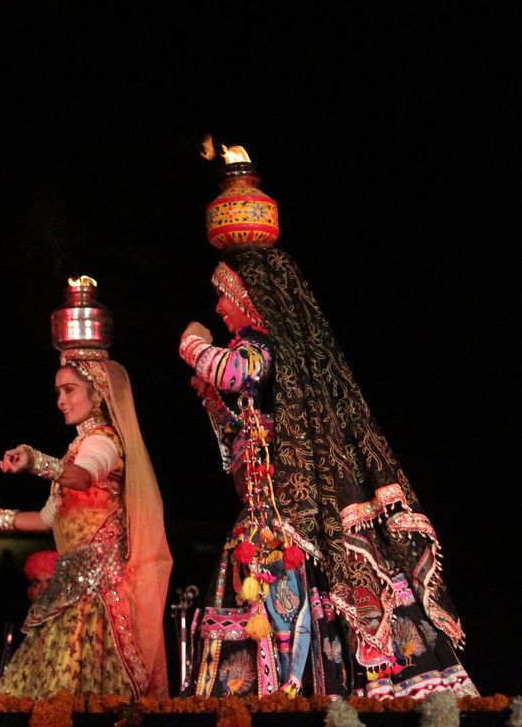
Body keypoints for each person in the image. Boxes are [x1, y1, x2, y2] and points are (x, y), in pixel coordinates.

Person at [179, 247, 477, 698]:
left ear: (249, 298)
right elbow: (241, 442)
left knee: (305, 608)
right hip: (267, 517)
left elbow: (232, 371)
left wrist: (191, 340)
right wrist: (212, 402)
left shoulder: (265, 346)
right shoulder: (271, 359)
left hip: (293, 518)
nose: (219, 307)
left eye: (223, 295)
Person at [0, 279, 172, 698]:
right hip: (68, 589)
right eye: (58, 392)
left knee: (80, 695)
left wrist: (35, 461)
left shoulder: (104, 441)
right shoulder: (76, 448)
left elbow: (82, 477)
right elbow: (47, 519)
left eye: (69, 391)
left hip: (99, 598)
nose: (61, 401)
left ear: (97, 392)